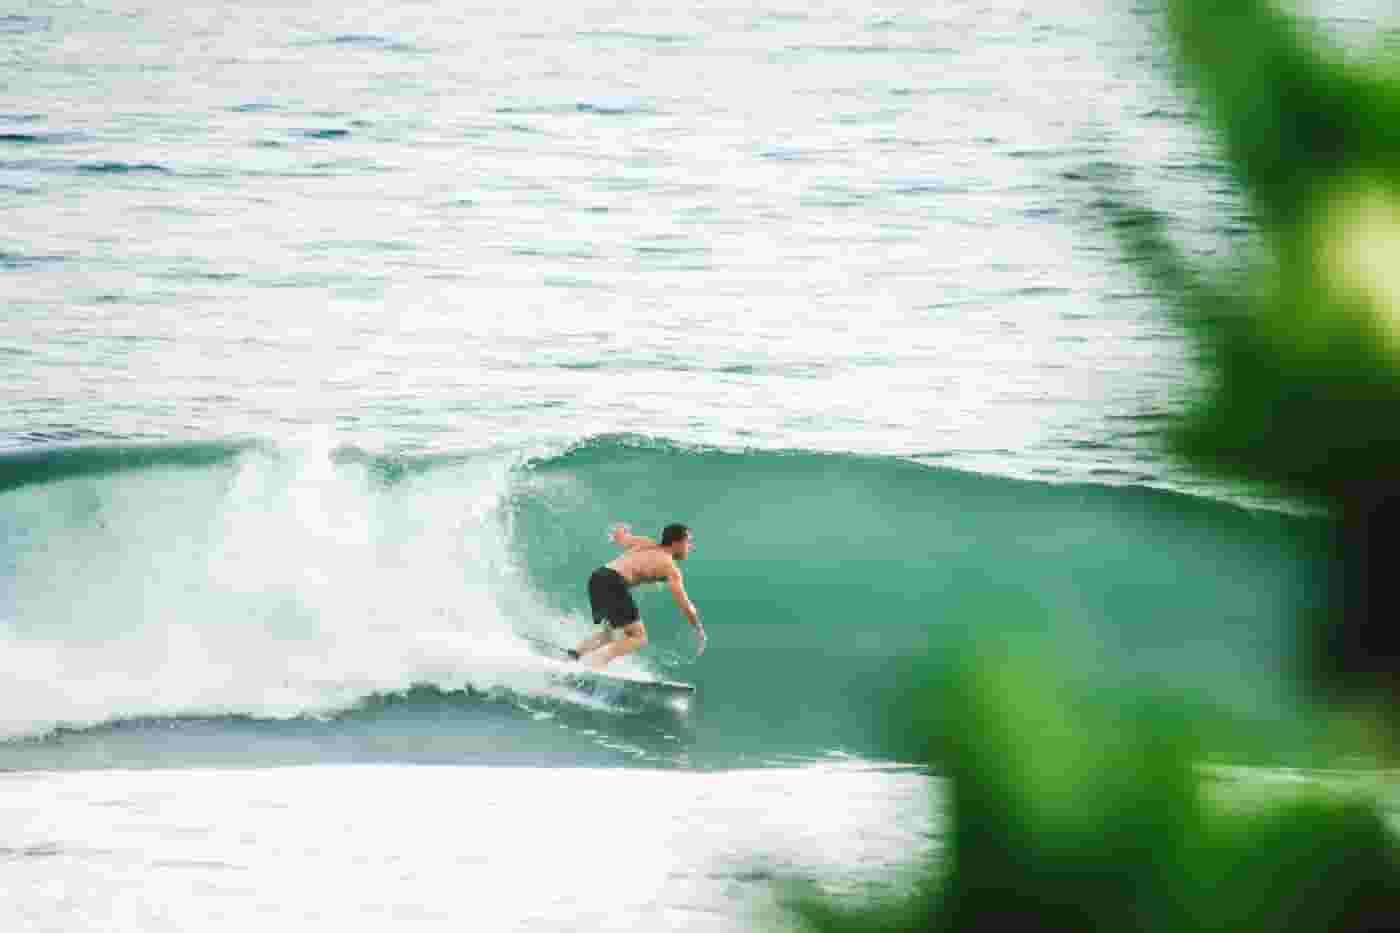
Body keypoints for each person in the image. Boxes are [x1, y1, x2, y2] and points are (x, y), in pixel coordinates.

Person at [571, 522, 705, 669]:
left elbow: (620, 538)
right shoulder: (670, 568)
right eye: (688, 542)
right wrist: (698, 628)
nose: (691, 547)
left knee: (611, 633)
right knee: (638, 637)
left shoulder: (645, 543)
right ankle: (596, 663)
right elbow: (685, 605)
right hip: (613, 583)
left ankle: (574, 655)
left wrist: (621, 529)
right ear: (677, 543)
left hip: (598, 578)